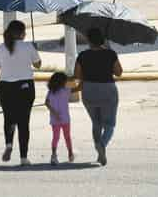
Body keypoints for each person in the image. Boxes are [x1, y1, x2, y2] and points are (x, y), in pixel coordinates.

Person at [0, 20, 41, 166]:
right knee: (24, 122)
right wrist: (35, 50)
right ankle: (23, 157)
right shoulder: (28, 46)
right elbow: (38, 64)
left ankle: (9, 144)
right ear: (22, 33)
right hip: (25, 87)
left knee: (9, 119)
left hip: (6, 88)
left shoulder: (1, 48)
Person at [74, 28, 123, 166]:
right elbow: (119, 72)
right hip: (107, 89)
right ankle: (102, 145)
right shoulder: (110, 54)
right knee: (110, 124)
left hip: (89, 90)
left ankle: (98, 146)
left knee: (96, 122)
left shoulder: (83, 55)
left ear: (89, 40)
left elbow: (77, 75)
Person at [45, 72, 80, 166]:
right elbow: (78, 88)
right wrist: (81, 79)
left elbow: (46, 103)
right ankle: (70, 154)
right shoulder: (66, 90)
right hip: (65, 119)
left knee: (55, 137)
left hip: (55, 119)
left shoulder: (50, 92)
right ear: (62, 82)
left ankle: (53, 155)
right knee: (67, 137)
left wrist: (54, 112)